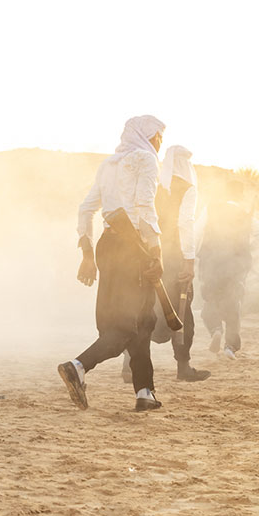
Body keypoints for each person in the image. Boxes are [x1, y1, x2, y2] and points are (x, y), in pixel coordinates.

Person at [62, 116, 166, 413]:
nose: (160, 142)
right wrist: (155, 252)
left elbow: (86, 209)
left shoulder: (109, 164)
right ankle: (78, 366)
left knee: (141, 320)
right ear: (148, 136)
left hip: (108, 246)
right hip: (134, 247)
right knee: (126, 323)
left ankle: (145, 392)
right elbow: (146, 206)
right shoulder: (146, 160)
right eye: (158, 136)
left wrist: (87, 252)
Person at [128, 145, 210, 382]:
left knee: (143, 307)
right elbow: (186, 224)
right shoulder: (187, 188)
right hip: (173, 258)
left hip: (148, 253)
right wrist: (189, 262)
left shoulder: (152, 186)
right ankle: (183, 367)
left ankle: (129, 365)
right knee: (181, 310)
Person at [197, 180, 253, 359]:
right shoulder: (244, 213)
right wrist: (248, 253)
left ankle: (215, 329)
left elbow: (197, 232)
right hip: (235, 267)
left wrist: (196, 255)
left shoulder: (210, 209)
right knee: (233, 307)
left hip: (212, 265)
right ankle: (230, 347)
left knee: (210, 303)